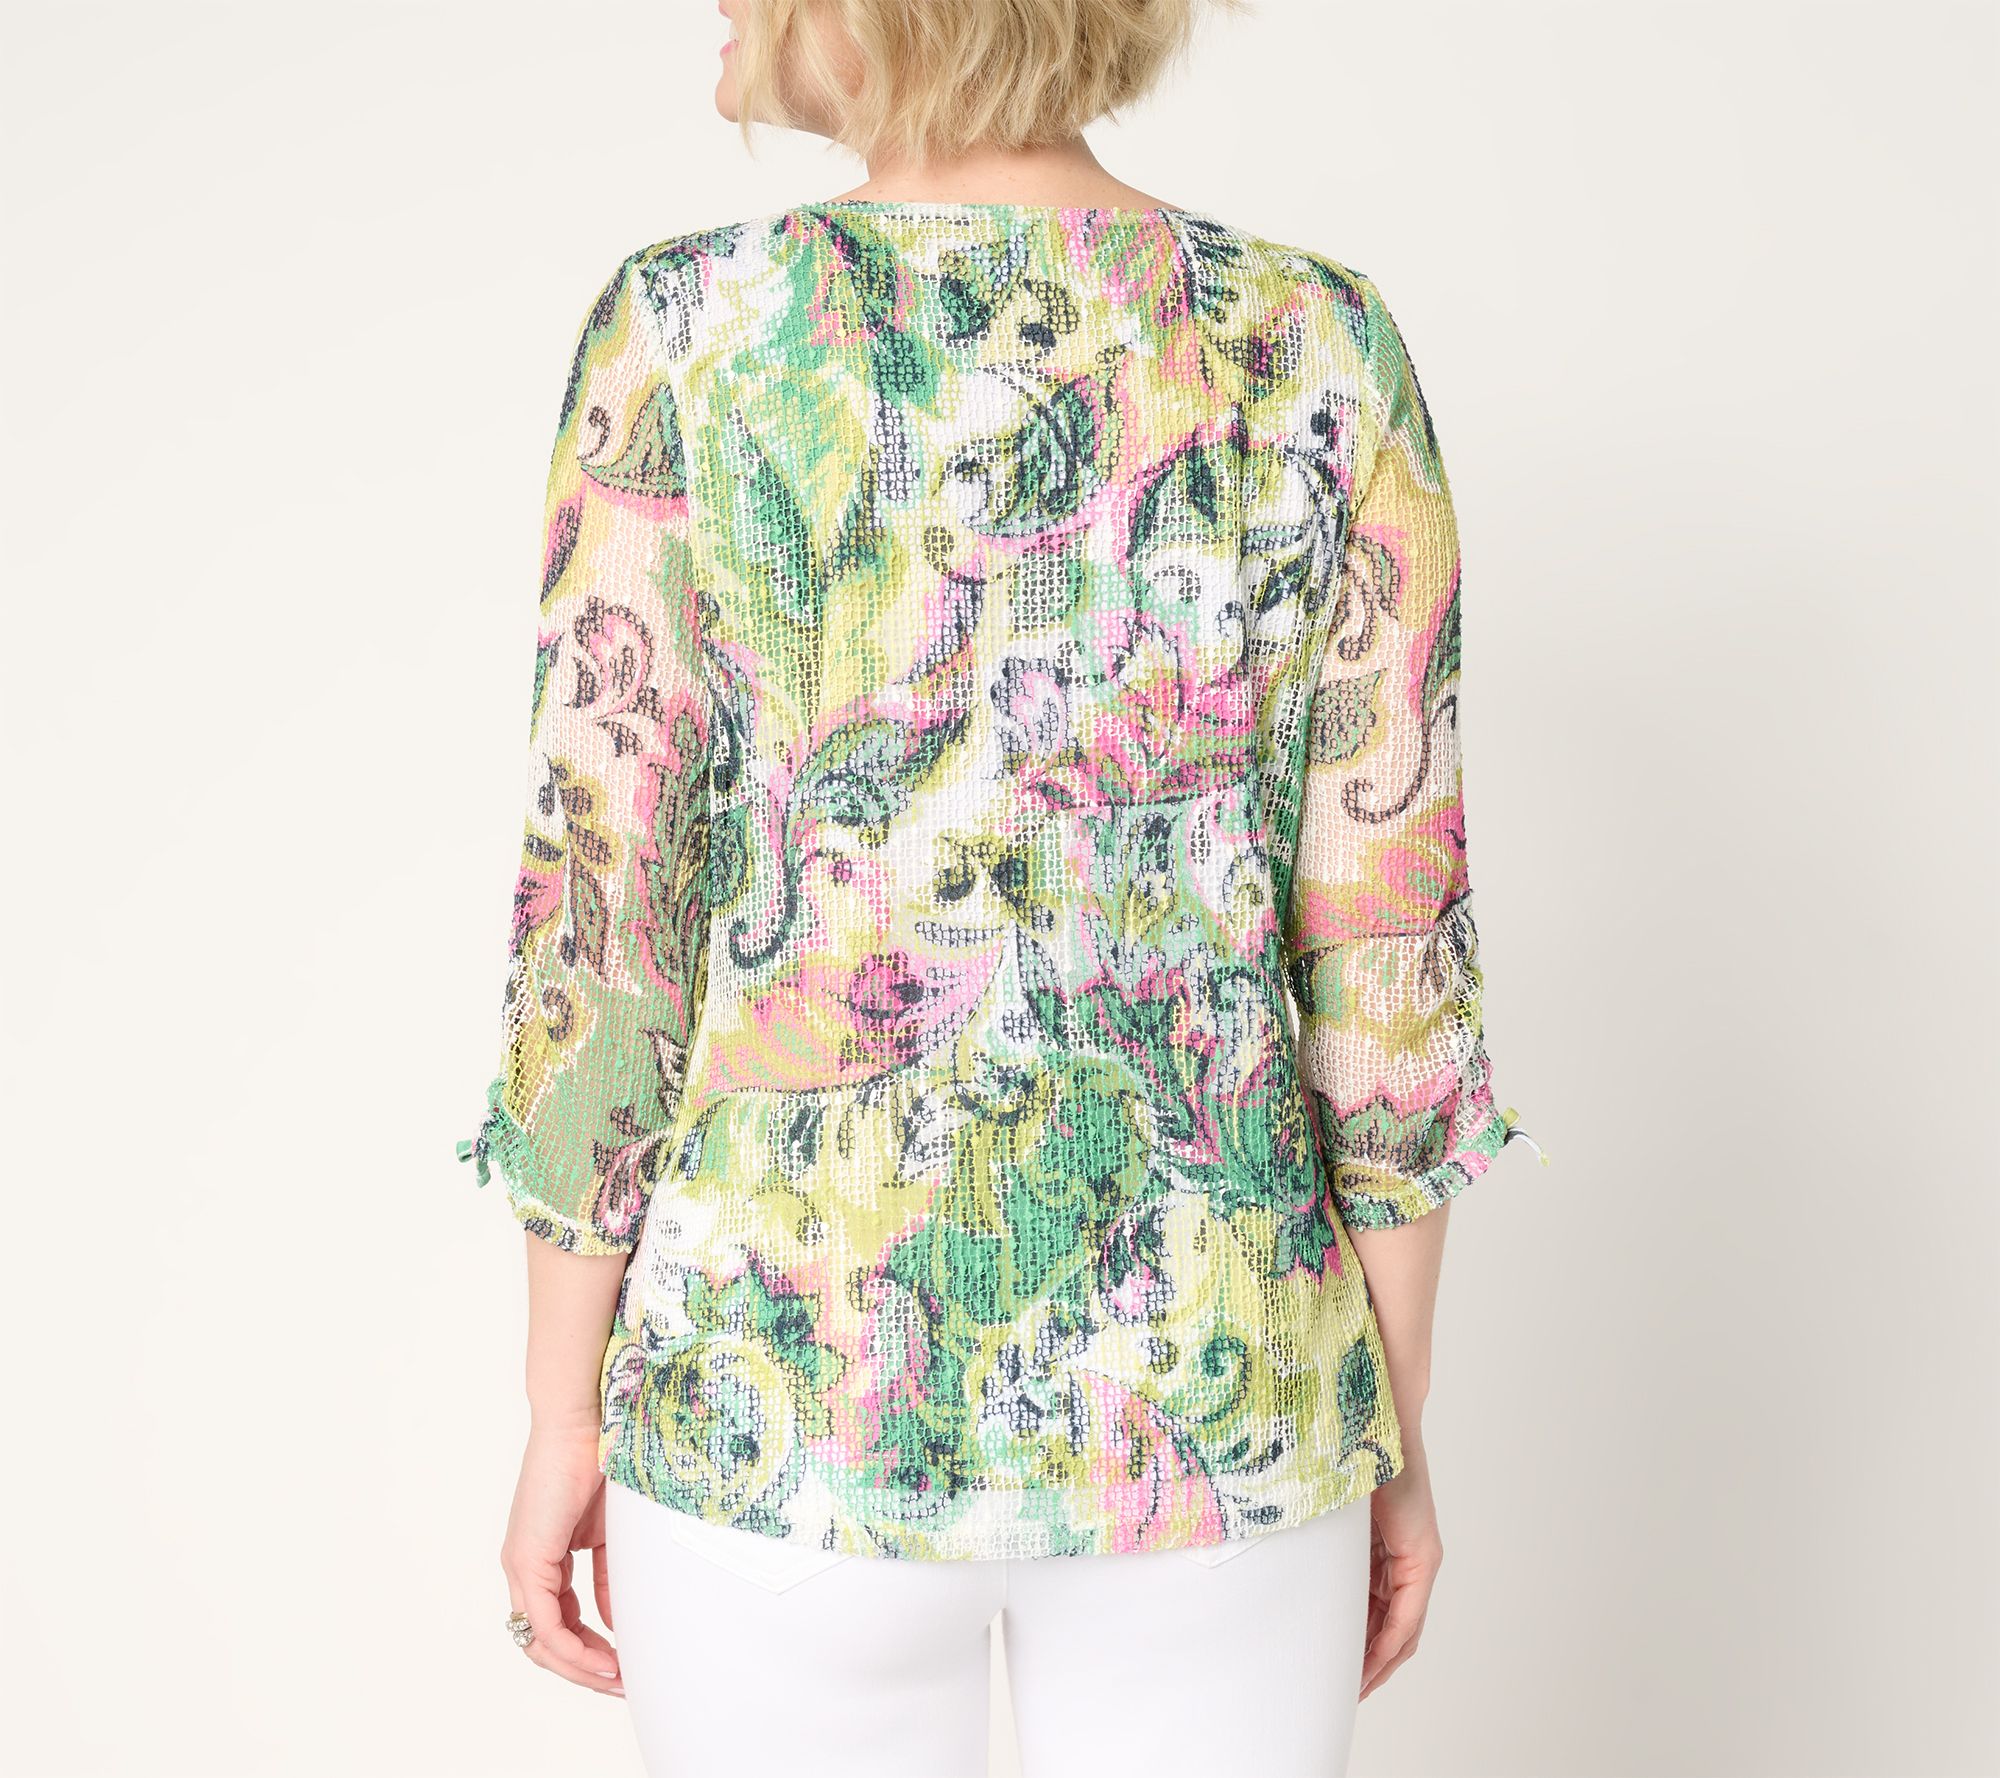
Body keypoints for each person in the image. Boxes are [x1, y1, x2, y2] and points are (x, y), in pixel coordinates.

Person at [456, 1, 1544, 1772]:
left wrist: (558, 1404)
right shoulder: (1314, 341)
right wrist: (1388, 1423)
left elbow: (605, 920)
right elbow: (1389, 949)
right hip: (1224, 1412)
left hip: (780, 1403)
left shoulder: (688, 330)